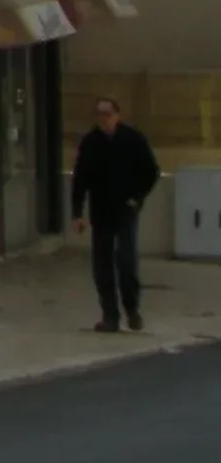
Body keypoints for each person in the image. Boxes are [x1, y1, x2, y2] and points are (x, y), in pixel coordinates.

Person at [70, 96, 162, 334]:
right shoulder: (90, 142)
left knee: (126, 261)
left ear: (117, 115)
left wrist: (137, 197)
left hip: (125, 209)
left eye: (108, 114)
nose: (104, 119)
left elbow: (151, 171)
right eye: (99, 114)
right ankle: (110, 314)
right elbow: (80, 178)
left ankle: (132, 309)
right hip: (101, 210)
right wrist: (77, 212)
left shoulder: (132, 139)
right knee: (102, 265)